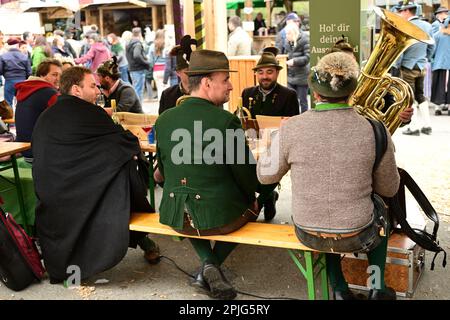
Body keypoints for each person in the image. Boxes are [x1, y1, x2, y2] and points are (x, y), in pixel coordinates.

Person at [257, 52, 400, 300]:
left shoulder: (291, 127)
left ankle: (340, 289)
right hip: (359, 232)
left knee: (326, 223)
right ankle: (377, 287)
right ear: (352, 92)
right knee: (381, 211)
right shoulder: (375, 128)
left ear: (314, 92)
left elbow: (265, 178)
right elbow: (389, 189)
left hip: (307, 231)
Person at [154, 49, 274, 300]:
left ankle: (207, 265)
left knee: (192, 215)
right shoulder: (226, 121)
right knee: (263, 194)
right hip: (220, 220)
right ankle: (209, 266)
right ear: (207, 83)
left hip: (176, 216)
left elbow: (162, 173)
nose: (231, 86)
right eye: (225, 80)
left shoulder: (164, 119)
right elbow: (248, 177)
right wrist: (255, 197)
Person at [32, 66, 160, 284]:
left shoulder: (46, 116)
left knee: (119, 167)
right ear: (76, 90)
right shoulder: (89, 112)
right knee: (125, 170)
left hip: (51, 196)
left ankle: (141, 239)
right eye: (92, 86)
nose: (98, 91)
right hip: (78, 195)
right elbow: (122, 141)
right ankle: (142, 238)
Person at [396, 2, 435, 136]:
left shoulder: (405, 25)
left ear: (407, 11)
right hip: (421, 65)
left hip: (408, 66)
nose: (400, 14)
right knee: (419, 94)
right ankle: (427, 126)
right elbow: (431, 47)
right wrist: (424, 59)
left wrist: (397, 64)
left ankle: (413, 128)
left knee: (409, 97)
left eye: (401, 11)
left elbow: (401, 49)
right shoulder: (427, 25)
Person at [14, 59, 62, 162]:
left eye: (60, 75)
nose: (58, 79)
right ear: (42, 75)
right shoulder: (49, 93)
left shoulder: (24, 89)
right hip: (41, 154)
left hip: (23, 149)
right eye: (54, 75)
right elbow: (66, 119)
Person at [241, 47, 299, 119]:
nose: (265, 76)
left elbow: (294, 125)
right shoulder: (247, 93)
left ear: (277, 73)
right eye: (260, 72)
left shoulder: (289, 95)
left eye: (269, 72)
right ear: (256, 74)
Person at [284, 22, 310, 113]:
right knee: (291, 100)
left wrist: (294, 61)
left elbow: (307, 58)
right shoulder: (287, 42)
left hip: (302, 76)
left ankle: (304, 119)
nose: (286, 35)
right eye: (286, 33)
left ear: (294, 33)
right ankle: (293, 119)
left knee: (303, 101)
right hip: (290, 76)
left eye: (288, 33)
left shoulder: (305, 39)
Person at [159, 45, 190, 115]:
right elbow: (162, 122)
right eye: (188, 71)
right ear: (178, 72)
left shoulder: (205, 93)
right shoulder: (167, 95)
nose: (192, 73)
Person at [0, 38, 32, 106]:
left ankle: (10, 116)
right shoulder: (24, 56)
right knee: (22, 102)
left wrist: (6, 74)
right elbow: (29, 72)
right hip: (22, 81)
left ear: (8, 46)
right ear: (17, 46)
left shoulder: (3, 56)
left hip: (9, 81)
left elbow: (0, 71)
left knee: (8, 104)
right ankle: (20, 116)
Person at [126, 27, 152, 101]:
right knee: (139, 90)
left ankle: (138, 108)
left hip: (132, 68)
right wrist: (146, 62)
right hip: (138, 69)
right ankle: (139, 109)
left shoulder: (129, 43)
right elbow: (137, 55)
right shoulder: (137, 44)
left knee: (136, 89)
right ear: (140, 34)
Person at [431, 16, 450, 113]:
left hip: (439, 64)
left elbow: (432, 50)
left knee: (438, 86)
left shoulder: (438, 35)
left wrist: (431, 59)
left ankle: (438, 108)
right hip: (444, 64)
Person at [148, 29, 169, 101]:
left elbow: (150, 62)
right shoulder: (166, 45)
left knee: (160, 90)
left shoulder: (152, 46)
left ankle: (161, 106)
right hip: (165, 70)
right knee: (167, 89)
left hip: (156, 71)